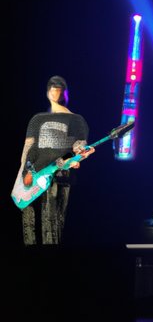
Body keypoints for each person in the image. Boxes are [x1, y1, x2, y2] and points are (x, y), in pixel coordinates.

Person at [18, 75, 95, 245]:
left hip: (58, 176)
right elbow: (28, 149)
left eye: (58, 89)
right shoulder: (37, 119)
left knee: (52, 225)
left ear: (64, 93)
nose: (54, 92)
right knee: (29, 223)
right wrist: (26, 173)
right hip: (33, 175)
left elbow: (77, 149)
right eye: (52, 89)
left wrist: (77, 156)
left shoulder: (76, 120)